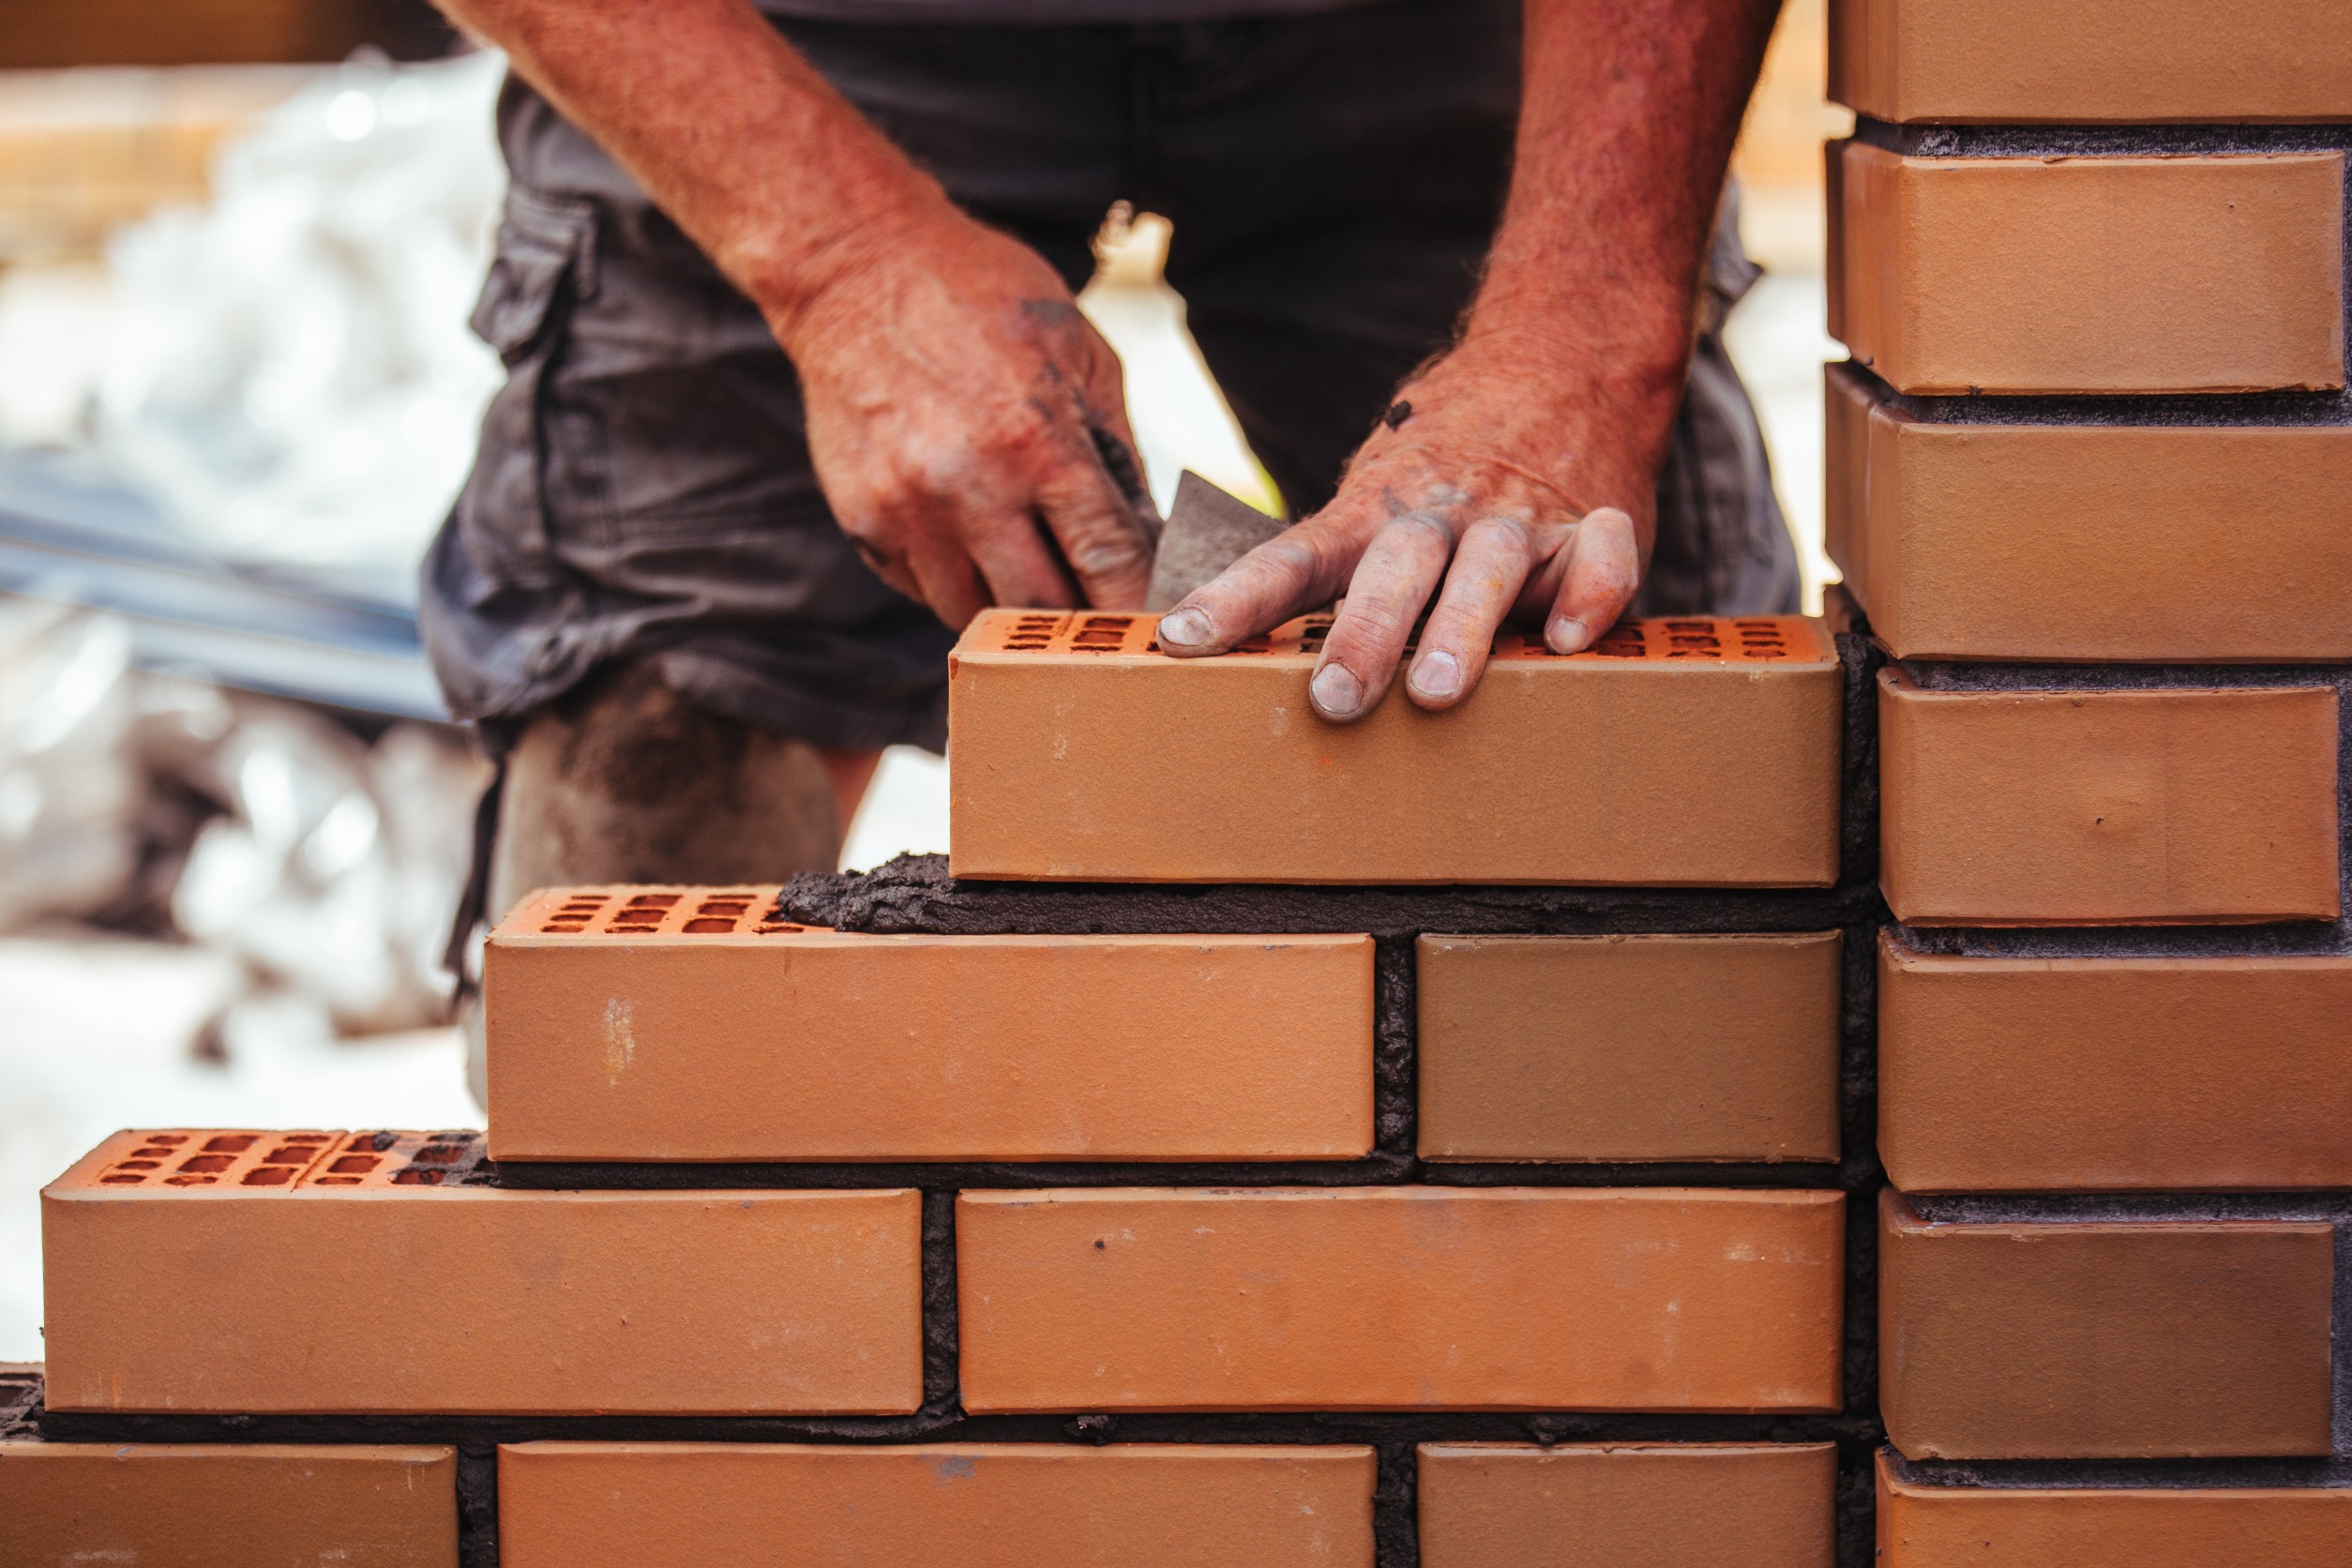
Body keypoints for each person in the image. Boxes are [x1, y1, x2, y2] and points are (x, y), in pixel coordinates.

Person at [423, 0, 1800, 998]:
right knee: (636, 894)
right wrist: (838, 261)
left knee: (1635, 823)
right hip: (796, 31)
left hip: (1462, 29)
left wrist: (1585, 340)